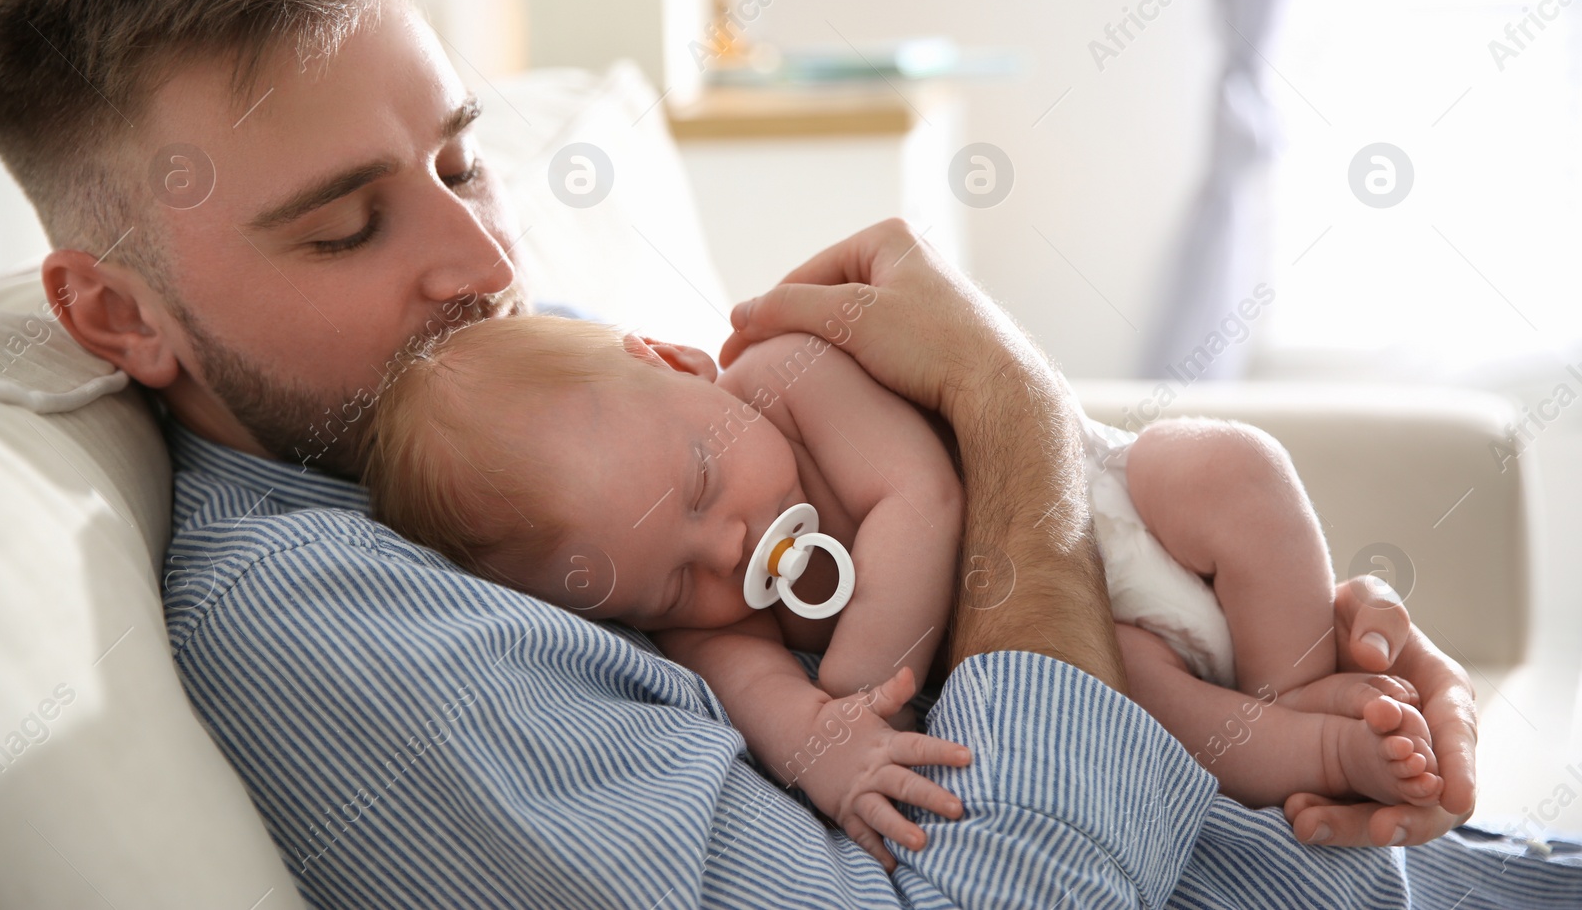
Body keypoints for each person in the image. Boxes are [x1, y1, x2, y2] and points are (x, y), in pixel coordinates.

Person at [0, 0, 1576, 908]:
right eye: (345, 223)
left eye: (466, 160)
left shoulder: (517, 366)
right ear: (120, 312)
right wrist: (1013, 405)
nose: (481, 257)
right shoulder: (332, 619)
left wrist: (1283, 637)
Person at [361, 312, 1443, 869]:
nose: (728, 544)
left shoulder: (787, 370)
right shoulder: (711, 632)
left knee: (1231, 466)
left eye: (700, 478)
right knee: (1145, 694)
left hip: (1113, 514)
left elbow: (919, 496)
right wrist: (833, 751)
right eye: (669, 574)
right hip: (1077, 635)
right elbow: (789, 722)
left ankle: (1307, 675)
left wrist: (855, 676)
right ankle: (1323, 751)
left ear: (683, 363)